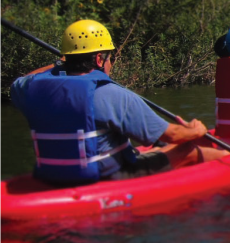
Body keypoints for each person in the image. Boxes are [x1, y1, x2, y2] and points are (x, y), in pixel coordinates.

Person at [10, 20, 214, 185]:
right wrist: (195, 131)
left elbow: (21, 82)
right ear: (99, 59)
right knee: (189, 149)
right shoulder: (112, 94)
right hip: (109, 178)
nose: (111, 63)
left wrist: (61, 64)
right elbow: (173, 135)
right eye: (110, 57)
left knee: (158, 148)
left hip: (52, 176)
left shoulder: (33, 92)